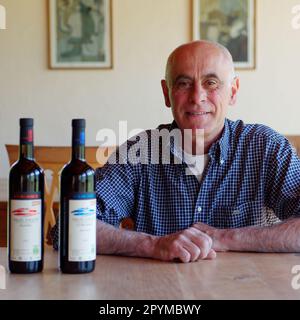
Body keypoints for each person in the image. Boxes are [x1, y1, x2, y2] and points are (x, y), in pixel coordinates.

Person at [52, 40, 300, 262]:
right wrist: (153, 245)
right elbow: (70, 227)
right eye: (184, 83)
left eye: (211, 83)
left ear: (233, 91)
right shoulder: (140, 153)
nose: (197, 96)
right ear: (166, 93)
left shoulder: (267, 148)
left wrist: (223, 238)